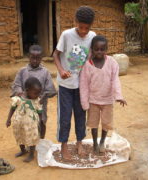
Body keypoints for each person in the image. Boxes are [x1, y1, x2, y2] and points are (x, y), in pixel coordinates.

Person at [53, 6, 96, 160]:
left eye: (87, 28)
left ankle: (79, 143)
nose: (84, 31)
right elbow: (55, 54)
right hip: (65, 85)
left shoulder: (93, 36)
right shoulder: (66, 35)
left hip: (82, 85)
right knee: (64, 117)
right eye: (81, 27)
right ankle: (64, 146)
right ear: (75, 22)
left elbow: (94, 58)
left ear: (91, 26)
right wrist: (61, 70)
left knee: (80, 115)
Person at [80, 35, 127, 153]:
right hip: (93, 100)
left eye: (102, 49)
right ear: (92, 49)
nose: (99, 52)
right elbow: (84, 85)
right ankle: (95, 142)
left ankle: (102, 142)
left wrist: (119, 96)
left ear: (106, 49)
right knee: (93, 123)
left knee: (106, 123)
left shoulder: (112, 63)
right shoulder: (87, 65)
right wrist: (85, 103)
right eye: (96, 49)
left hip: (107, 100)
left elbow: (115, 80)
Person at [12, 45, 56, 138]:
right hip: (25, 105)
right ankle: (28, 144)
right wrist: (20, 93)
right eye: (33, 58)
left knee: (41, 122)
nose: (35, 61)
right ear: (29, 57)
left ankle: (41, 141)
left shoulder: (45, 72)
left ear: (41, 58)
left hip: (40, 104)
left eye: (38, 58)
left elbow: (51, 90)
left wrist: (42, 97)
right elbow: (16, 85)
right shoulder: (22, 71)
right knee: (25, 124)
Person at [6, 77, 43, 162]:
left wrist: (40, 122)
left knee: (32, 137)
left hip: (32, 124)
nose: (37, 95)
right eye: (35, 93)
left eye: (38, 93)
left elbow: (40, 112)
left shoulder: (37, 100)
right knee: (20, 135)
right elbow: (12, 108)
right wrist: (8, 119)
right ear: (27, 90)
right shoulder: (18, 98)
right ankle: (23, 150)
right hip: (18, 122)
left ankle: (31, 154)